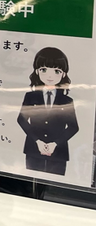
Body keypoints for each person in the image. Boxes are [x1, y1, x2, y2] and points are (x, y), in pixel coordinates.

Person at [16, 47, 79, 176]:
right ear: (37, 71)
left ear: (63, 74)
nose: (50, 76)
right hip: (33, 149)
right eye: (44, 70)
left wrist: (55, 144)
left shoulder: (67, 100)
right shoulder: (31, 96)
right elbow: (21, 119)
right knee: (30, 180)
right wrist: (37, 141)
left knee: (55, 184)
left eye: (56, 71)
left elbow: (73, 127)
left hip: (59, 152)